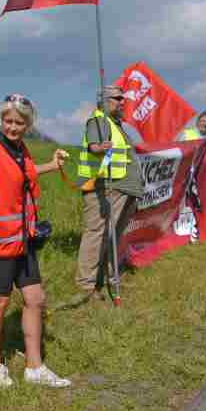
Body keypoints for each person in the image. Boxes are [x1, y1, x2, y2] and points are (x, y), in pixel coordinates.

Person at [0, 94, 71, 389]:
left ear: (28, 124)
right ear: (1, 120)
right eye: (8, 121)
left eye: (19, 122)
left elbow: (26, 174)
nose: (13, 127)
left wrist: (52, 165)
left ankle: (35, 367)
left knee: (35, 299)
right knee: (0, 300)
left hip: (24, 241)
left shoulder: (21, 150)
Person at [75, 84, 135, 300]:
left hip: (123, 188)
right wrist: (100, 148)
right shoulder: (99, 120)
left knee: (113, 236)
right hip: (105, 188)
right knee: (97, 234)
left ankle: (108, 277)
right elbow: (94, 146)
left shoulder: (115, 124)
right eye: (117, 98)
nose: (122, 102)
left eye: (122, 98)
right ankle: (87, 287)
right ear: (104, 100)